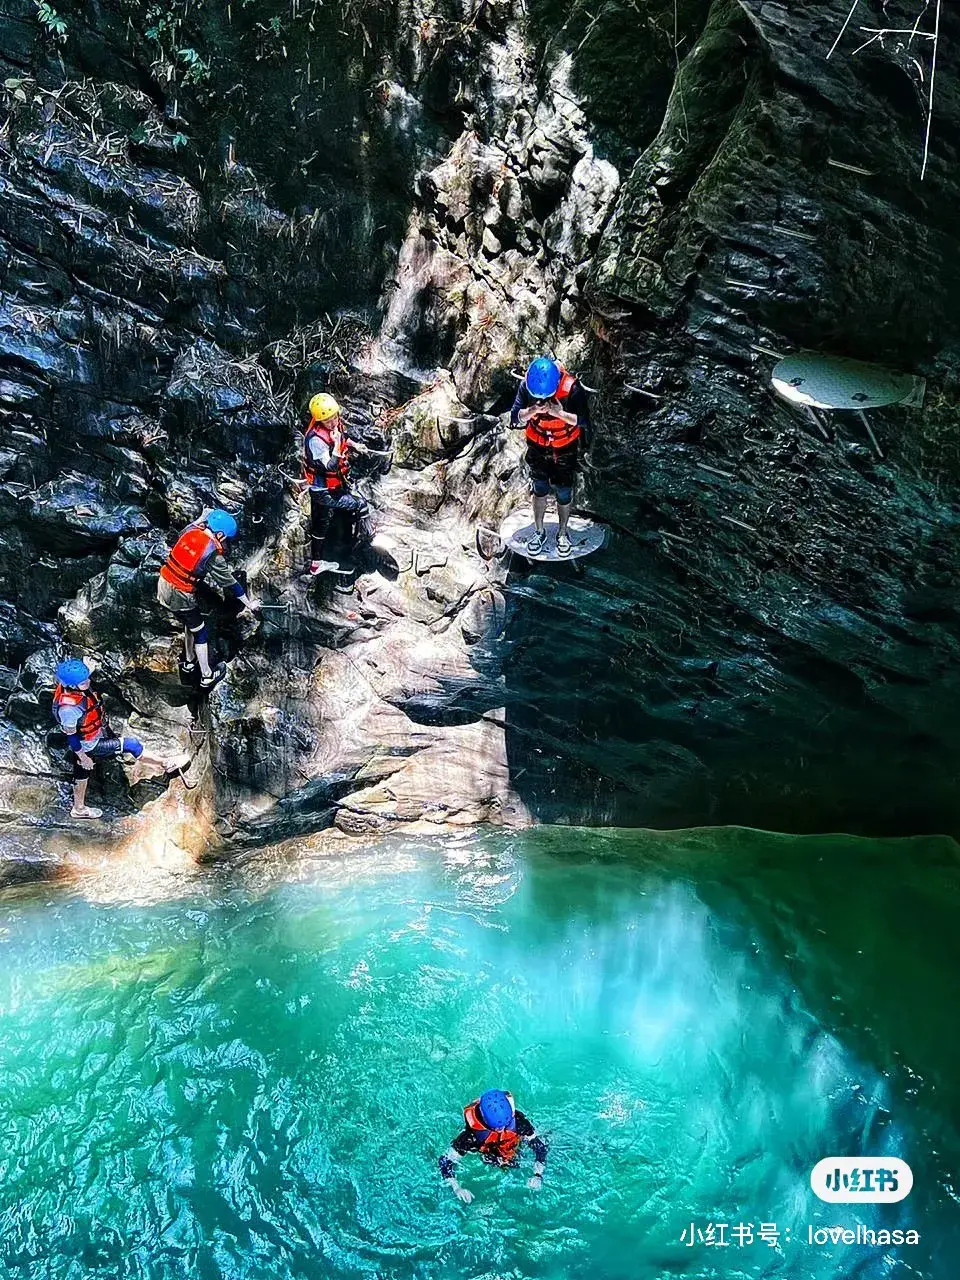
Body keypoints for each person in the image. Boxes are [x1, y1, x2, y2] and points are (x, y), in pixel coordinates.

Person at [52, 658, 183, 819]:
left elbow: (84, 675)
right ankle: (166, 764)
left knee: (82, 770)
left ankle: (78, 808)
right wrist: (83, 756)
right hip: (88, 743)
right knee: (131, 745)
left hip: (96, 732)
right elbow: (71, 735)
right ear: (72, 686)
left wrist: (88, 664)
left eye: (87, 677)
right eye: (83, 681)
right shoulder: (68, 709)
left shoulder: (75, 684)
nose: (88, 681)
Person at [156, 508, 258, 690]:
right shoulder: (211, 553)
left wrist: (204, 514)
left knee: (189, 624)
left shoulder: (191, 531)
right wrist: (249, 604)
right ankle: (207, 676)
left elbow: (194, 525)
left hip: (163, 584)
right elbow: (231, 583)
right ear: (219, 534)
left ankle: (188, 662)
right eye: (225, 538)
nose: (225, 542)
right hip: (179, 594)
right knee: (201, 633)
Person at [510, 356, 591, 556]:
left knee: (564, 491)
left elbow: (584, 421)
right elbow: (514, 416)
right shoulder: (526, 385)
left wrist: (559, 413)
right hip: (538, 447)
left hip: (565, 448)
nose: (542, 400)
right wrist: (533, 410)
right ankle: (539, 531)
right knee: (539, 489)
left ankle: (563, 533)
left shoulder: (572, 388)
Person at [303, 392, 372, 574]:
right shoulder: (316, 440)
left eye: (335, 418)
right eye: (328, 421)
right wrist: (335, 447)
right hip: (323, 491)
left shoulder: (333, 423)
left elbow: (340, 436)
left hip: (330, 487)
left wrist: (355, 445)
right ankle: (366, 540)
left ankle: (316, 564)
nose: (333, 423)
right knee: (360, 504)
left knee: (321, 524)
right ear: (319, 422)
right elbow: (331, 467)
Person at [439, 1089, 548, 1202]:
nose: (502, 1130)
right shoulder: (471, 1137)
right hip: (490, 1155)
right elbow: (445, 1161)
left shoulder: (518, 1122)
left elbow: (540, 1148)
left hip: (514, 1148)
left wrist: (538, 1174)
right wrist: (456, 1187)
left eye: (506, 1125)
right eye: (498, 1128)